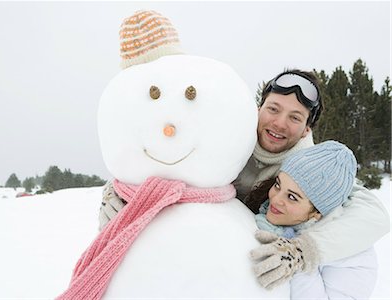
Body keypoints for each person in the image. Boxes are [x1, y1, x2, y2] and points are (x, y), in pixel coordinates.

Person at [98, 69, 390, 288]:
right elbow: (169, 154)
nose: (279, 123)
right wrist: (122, 189)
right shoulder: (227, 139)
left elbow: (375, 215)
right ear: (258, 108)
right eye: (273, 109)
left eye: (295, 117)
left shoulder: (309, 170)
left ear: (306, 130)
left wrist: (301, 252)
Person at [247, 141, 377, 298]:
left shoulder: (354, 254)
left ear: (317, 212)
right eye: (278, 185)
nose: (275, 199)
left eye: (292, 197)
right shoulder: (277, 214)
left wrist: (296, 258)